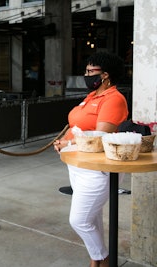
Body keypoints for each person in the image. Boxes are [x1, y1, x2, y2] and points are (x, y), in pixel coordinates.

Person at [53, 51, 129, 267]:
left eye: (90, 71)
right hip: (78, 166)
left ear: (105, 75)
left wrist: (68, 144)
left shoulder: (114, 99)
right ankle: (96, 260)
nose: (86, 75)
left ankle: (104, 259)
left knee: (79, 220)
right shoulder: (92, 97)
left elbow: (99, 138)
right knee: (92, 218)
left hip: (98, 169)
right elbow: (79, 127)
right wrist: (64, 142)